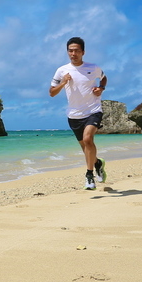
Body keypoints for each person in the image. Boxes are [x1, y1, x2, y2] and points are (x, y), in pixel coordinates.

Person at [50, 36, 107, 190]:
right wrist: (63, 82)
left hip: (93, 111)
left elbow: (103, 78)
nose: (73, 53)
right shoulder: (61, 71)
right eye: (70, 51)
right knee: (86, 149)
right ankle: (97, 164)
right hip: (74, 115)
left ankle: (89, 176)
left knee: (88, 140)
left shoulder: (93, 67)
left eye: (76, 51)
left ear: (83, 52)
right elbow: (52, 93)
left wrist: (100, 89)